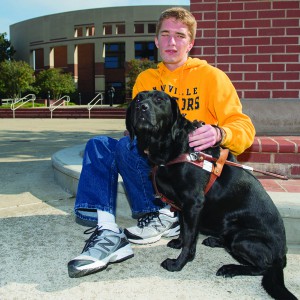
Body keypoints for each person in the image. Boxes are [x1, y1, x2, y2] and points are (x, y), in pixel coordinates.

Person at [67, 7, 255, 278]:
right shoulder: (146, 80)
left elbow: (244, 127)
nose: (171, 42)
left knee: (125, 148)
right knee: (100, 145)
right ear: (156, 41)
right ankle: (108, 231)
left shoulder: (212, 77)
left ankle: (165, 215)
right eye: (165, 35)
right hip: (159, 163)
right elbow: (138, 133)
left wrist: (220, 133)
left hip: (191, 172)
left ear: (190, 43)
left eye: (180, 36)